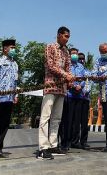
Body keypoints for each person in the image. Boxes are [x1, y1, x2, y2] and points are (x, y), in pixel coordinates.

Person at [37, 26, 74, 160]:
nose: (67, 39)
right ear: (59, 35)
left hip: (62, 88)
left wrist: (70, 79)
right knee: (45, 117)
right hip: (51, 86)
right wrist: (66, 75)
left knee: (57, 118)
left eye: (68, 37)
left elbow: (68, 67)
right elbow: (50, 65)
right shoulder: (50, 47)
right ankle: (43, 148)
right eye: (65, 36)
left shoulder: (66, 51)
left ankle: (53, 145)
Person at [0, 39, 19, 158]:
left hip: (9, 99)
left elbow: (16, 81)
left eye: (14, 48)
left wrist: (16, 95)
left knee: (4, 125)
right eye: (12, 47)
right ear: (5, 49)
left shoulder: (15, 64)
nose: (14, 50)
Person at [68, 50, 91, 149]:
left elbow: (87, 83)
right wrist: (75, 87)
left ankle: (83, 141)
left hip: (84, 97)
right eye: (79, 58)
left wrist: (82, 88)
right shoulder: (68, 66)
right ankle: (71, 141)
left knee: (83, 122)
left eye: (82, 58)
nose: (81, 60)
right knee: (72, 121)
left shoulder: (86, 70)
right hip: (72, 95)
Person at [57, 48, 79, 151]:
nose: (74, 55)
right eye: (72, 54)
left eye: (76, 54)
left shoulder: (80, 67)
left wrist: (75, 85)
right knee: (60, 120)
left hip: (73, 96)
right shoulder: (65, 65)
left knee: (69, 121)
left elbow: (82, 79)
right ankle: (59, 142)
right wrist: (71, 83)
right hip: (64, 93)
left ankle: (67, 142)